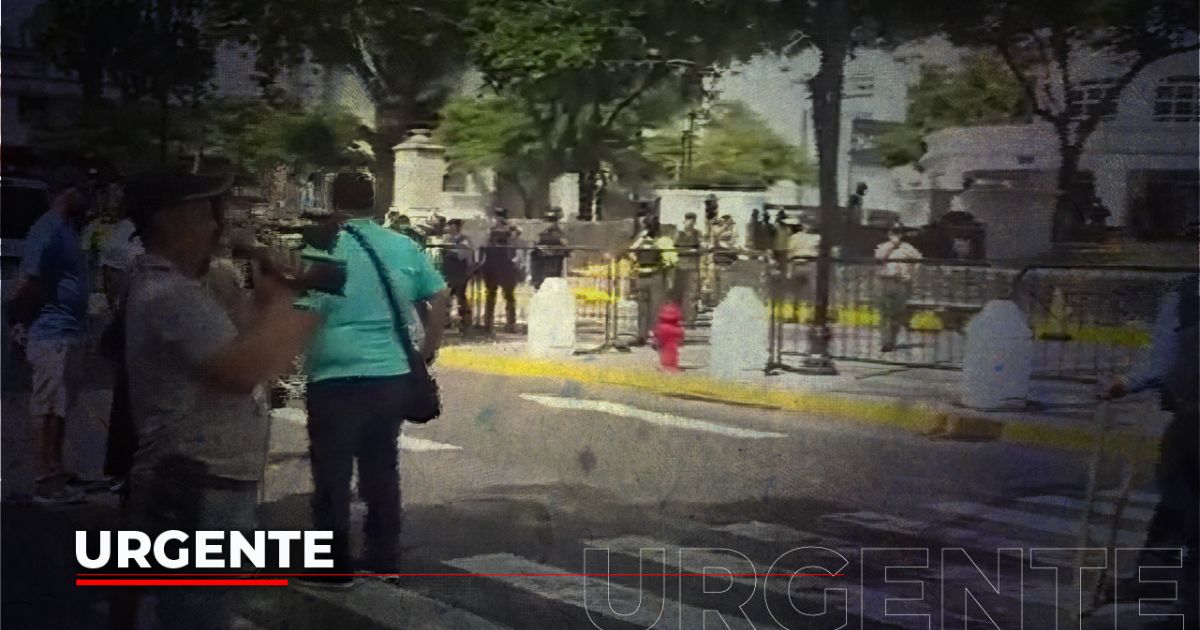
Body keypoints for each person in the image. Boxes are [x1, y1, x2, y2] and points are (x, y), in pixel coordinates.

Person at [119, 172, 320, 627]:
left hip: (207, 479)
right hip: (195, 483)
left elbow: (241, 344)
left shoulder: (189, 287)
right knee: (193, 616)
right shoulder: (169, 293)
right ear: (168, 221)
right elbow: (242, 370)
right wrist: (298, 300)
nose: (216, 226)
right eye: (203, 213)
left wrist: (266, 298)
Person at [295, 181, 448, 586]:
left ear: (333, 203)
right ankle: (383, 559)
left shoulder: (321, 245)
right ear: (374, 205)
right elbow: (440, 294)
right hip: (390, 374)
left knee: (331, 471)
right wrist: (427, 349)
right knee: (381, 469)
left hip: (333, 371)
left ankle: (332, 564)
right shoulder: (402, 245)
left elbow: (303, 306)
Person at [1102, 275, 1198, 611]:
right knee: (1178, 495)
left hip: (1193, 416)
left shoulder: (1186, 294)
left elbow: (1162, 360)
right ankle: (1156, 577)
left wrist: (1126, 383)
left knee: (1178, 492)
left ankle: (1176, 591)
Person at [7, 169, 92, 503]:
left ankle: (56, 469)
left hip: (67, 333)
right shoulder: (46, 229)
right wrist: (19, 320)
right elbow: (28, 281)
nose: (87, 196)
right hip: (50, 333)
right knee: (47, 410)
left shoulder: (67, 229)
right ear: (65, 191)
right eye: (82, 189)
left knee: (60, 409)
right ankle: (45, 479)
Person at [873, 224, 922, 352]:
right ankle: (885, 341)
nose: (895, 234)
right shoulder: (883, 246)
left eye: (898, 232)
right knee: (884, 313)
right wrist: (892, 244)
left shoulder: (908, 248)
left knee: (897, 313)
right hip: (885, 281)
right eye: (893, 232)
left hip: (901, 282)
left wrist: (911, 275)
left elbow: (918, 260)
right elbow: (879, 257)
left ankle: (892, 340)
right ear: (889, 233)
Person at [480, 219, 522, 333]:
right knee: (507, 297)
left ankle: (489, 325)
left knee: (493, 297)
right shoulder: (507, 248)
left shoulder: (490, 247)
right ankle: (510, 324)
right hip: (503, 271)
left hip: (494, 271)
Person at [441, 219, 475, 331]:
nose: (449, 228)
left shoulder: (464, 240)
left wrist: (450, 251)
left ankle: (466, 322)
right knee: (446, 297)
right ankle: (446, 322)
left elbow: (466, 255)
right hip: (448, 272)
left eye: (451, 225)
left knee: (461, 297)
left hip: (460, 272)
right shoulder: (446, 239)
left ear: (456, 227)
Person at [673, 212, 703, 325]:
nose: (690, 222)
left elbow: (702, 248)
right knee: (678, 293)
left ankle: (690, 319)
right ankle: (677, 318)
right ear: (684, 221)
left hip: (692, 267)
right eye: (688, 220)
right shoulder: (678, 234)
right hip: (680, 267)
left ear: (695, 222)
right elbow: (673, 249)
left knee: (692, 294)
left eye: (692, 220)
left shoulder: (697, 234)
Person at [530, 208, 568, 290]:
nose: (551, 223)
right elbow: (535, 241)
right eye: (549, 221)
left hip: (553, 262)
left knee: (552, 283)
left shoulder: (560, 233)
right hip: (541, 262)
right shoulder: (540, 232)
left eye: (553, 221)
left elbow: (565, 245)